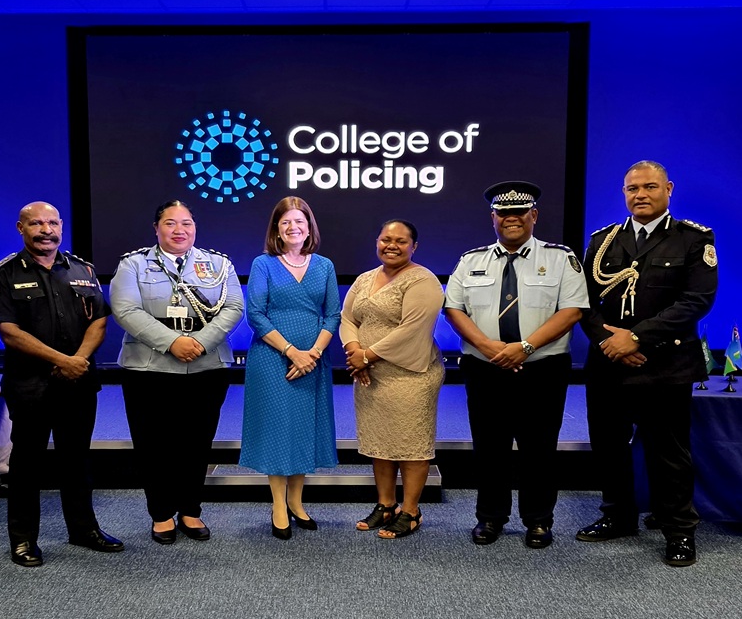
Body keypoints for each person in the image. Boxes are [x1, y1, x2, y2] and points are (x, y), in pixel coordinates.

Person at [576, 161, 717, 567]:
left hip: (665, 362)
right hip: (609, 363)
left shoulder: (693, 238)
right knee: (608, 446)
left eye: (649, 186)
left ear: (668, 189)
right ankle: (618, 516)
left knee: (668, 452)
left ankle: (678, 530)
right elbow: (584, 302)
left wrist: (635, 338)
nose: (640, 194)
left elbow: (697, 301)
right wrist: (609, 340)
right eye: (632, 188)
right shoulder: (604, 240)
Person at [443, 181, 589, 549]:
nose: (511, 220)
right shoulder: (470, 260)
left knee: (539, 447)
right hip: (484, 368)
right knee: (488, 446)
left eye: (519, 213)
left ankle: (538, 520)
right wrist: (489, 347)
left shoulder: (561, 259)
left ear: (533, 216)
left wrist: (523, 347)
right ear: (493, 218)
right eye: (503, 214)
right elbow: (453, 309)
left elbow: (571, 311)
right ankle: (490, 517)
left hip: (541, 368)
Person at [0, 201, 123, 567]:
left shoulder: (83, 269)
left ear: (61, 225)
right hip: (29, 385)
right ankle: (24, 539)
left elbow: (99, 322)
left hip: (77, 382)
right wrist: (63, 361)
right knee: (26, 464)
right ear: (21, 227)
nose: (46, 230)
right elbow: (9, 332)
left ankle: (83, 529)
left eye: (51, 222)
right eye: (36, 224)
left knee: (76, 460)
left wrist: (77, 361)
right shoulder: (3, 274)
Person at [110, 200, 244, 545]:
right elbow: (125, 310)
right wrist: (172, 342)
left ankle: (190, 509)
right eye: (170, 223)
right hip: (148, 367)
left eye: (186, 223)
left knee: (197, 442)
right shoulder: (133, 264)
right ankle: (160, 513)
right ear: (156, 228)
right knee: (153, 442)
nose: (179, 230)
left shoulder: (217, 264)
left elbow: (233, 307)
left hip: (206, 365)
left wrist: (199, 342)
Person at [239, 197, 341, 540]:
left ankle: (297, 502)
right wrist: (292, 352)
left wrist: (311, 353)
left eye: (299, 221)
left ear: (309, 226)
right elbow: (255, 314)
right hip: (272, 360)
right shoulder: (263, 264)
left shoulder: (324, 265)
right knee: (276, 429)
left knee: (302, 430)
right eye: (285, 223)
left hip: (314, 360)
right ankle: (278, 505)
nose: (293, 227)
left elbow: (332, 315)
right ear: (276, 230)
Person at [339, 219, 444, 539]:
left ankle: (411, 511)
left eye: (401, 241)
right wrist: (354, 349)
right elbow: (347, 318)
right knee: (380, 443)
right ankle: (386, 505)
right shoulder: (365, 278)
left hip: (411, 375)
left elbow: (411, 330)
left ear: (414, 247)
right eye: (386, 239)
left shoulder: (423, 280)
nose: (392, 245)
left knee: (411, 445)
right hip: (371, 375)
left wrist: (366, 356)